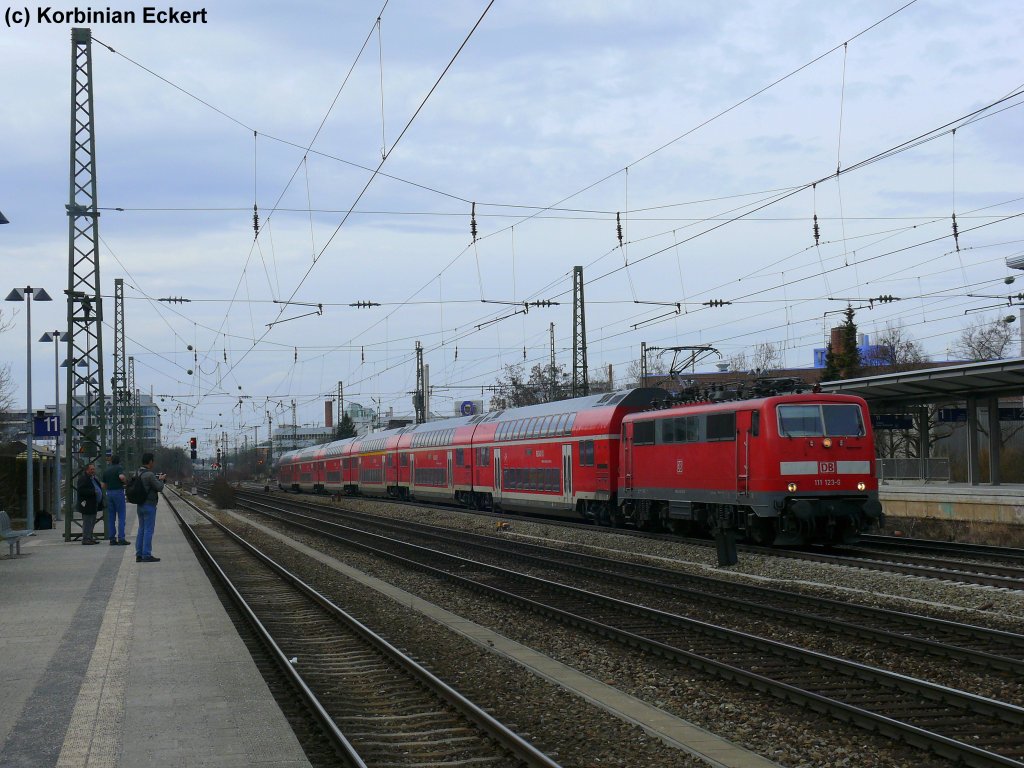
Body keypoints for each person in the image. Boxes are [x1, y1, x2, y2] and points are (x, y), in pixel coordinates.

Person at [134, 452, 166, 563]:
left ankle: (139, 554)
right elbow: (159, 487)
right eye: (153, 461)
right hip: (149, 505)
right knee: (148, 530)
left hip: (140, 505)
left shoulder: (138, 472)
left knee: (141, 529)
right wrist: (161, 479)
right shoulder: (150, 475)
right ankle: (146, 554)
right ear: (150, 461)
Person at [101, 454, 130, 546]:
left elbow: (103, 485)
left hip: (109, 493)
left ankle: (112, 539)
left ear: (111, 461)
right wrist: (125, 481)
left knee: (111, 517)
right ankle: (121, 538)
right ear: (119, 461)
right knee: (121, 516)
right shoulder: (119, 468)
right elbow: (121, 477)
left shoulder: (106, 470)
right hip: (118, 493)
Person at [75, 463, 103, 544]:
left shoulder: (93, 478)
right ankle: (86, 538)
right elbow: (81, 490)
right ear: (87, 470)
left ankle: (90, 537)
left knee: (92, 521)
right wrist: (93, 492)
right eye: (91, 469)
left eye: (94, 469)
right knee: (87, 522)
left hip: (94, 504)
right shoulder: (83, 479)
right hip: (87, 505)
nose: (93, 471)